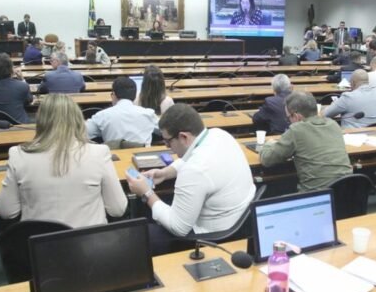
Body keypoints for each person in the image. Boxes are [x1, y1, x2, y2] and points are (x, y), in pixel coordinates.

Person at [125, 104, 255, 255]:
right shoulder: (219, 134)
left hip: (213, 238)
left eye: (168, 141)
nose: (167, 147)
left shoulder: (194, 170)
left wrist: (147, 194)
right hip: (242, 222)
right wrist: (166, 173)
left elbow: (179, 228)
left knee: (139, 234)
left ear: (184, 137)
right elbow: (192, 156)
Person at [0, 94, 128, 227]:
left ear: (40, 120)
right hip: (90, 243)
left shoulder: (18, 154)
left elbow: (7, 212)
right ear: (78, 119)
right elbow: (118, 210)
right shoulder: (99, 153)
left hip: (39, 244)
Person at [259, 91, 352, 191]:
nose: (288, 121)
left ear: (297, 116)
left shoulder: (296, 130)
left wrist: (268, 144)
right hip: (346, 192)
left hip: (315, 197)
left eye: (288, 118)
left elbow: (267, 160)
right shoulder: (333, 125)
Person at [86, 76, 158, 146]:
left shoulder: (102, 116)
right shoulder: (149, 114)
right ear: (135, 95)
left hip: (113, 157)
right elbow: (165, 129)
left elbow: (80, 132)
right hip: (144, 157)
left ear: (113, 95)